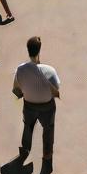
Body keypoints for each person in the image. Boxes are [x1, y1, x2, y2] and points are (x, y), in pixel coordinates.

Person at [13, 35, 60, 166]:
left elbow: (16, 90)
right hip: (47, 107)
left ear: (28, 51)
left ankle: (25, 149)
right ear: (39, 51)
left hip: (29, 106)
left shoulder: (20, 69)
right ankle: (47, 154)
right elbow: (56, 89)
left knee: (28, 126)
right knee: (48, 129)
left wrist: (27, 92)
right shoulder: (50, 70)